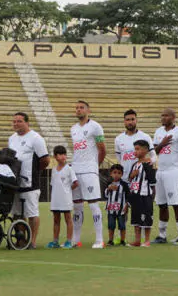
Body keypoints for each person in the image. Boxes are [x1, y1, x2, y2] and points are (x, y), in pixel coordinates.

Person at [151, 108, 178, 246]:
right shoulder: (158, 131)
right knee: (162, 204)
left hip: (173, 171)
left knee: (176, 203)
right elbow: (154, 152)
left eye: (166, 115)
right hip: (161, 171)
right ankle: (162, 235)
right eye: (162, 115)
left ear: (173, 117)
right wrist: (162, 144)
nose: (163, 117)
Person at [8, 112, 50, 249]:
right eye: (14, 121)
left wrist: (34, 171)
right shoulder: (11, 139)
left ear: (27, 122)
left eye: (19, 121)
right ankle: (21, 239)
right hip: (15, 182)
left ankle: (32, 241)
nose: (16, 124)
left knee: (32, 213)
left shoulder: (36, 138)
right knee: (17, 213)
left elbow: (45, 160)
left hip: (31, 183)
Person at [70, 100, 107, 249]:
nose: (78, 110)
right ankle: (76, 239)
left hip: (90, 170)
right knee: (77, 205)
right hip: (76, 169)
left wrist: (94, 166)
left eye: (81, 108)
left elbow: (102, 149)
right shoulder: (73, 129)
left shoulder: (95, 127)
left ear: (88, 110)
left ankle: (99, 239)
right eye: (77, 108)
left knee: (93, 204)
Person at [47, 145, 78, 249]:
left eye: (64, 154)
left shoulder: (69, 169)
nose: (63, 156)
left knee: (68, 219)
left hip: (66, 199)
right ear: (55, 156)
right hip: (56, 199)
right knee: (56, 220)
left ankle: (69, 241)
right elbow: (53, 184)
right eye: (60, 154)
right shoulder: (54, 170)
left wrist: (68, 190)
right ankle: (55, 241)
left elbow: (75, 183)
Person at [127, 140, 156, 247]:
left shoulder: (148, 163)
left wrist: (152, 196)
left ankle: (147, 240)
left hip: (145, 195)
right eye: (135, 149)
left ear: (145, 150)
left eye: (138, 149)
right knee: (136, 218)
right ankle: (137, 240)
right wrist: (132, 175)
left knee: (146, 217)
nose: (135, 151)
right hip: (135, 195)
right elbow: (130, 178)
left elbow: (152, 181)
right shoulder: (135, 164)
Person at [114, 109, 157, 181]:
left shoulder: (145, 137)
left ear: (136, 120)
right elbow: (119, 159)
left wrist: (150, 161)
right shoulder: (118, 139)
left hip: (141, 179)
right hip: (125, 178)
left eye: (132, 119)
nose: (130, 122)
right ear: (124, 122)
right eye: (127, 120)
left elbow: (154, 156)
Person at [105, 164, 129, 247]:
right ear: (111, 173)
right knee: (111, 225)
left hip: (121, 209)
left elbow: (128, 196)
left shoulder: (124, 185)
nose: (116, 175)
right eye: (114, 172)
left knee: (122, 225)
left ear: (122, 174)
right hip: (111, 208)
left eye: (119, 173)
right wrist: (108, 189)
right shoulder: (108, 183)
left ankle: (122, 240)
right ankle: (110, 240)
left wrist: (127, 205)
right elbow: (105, 195)